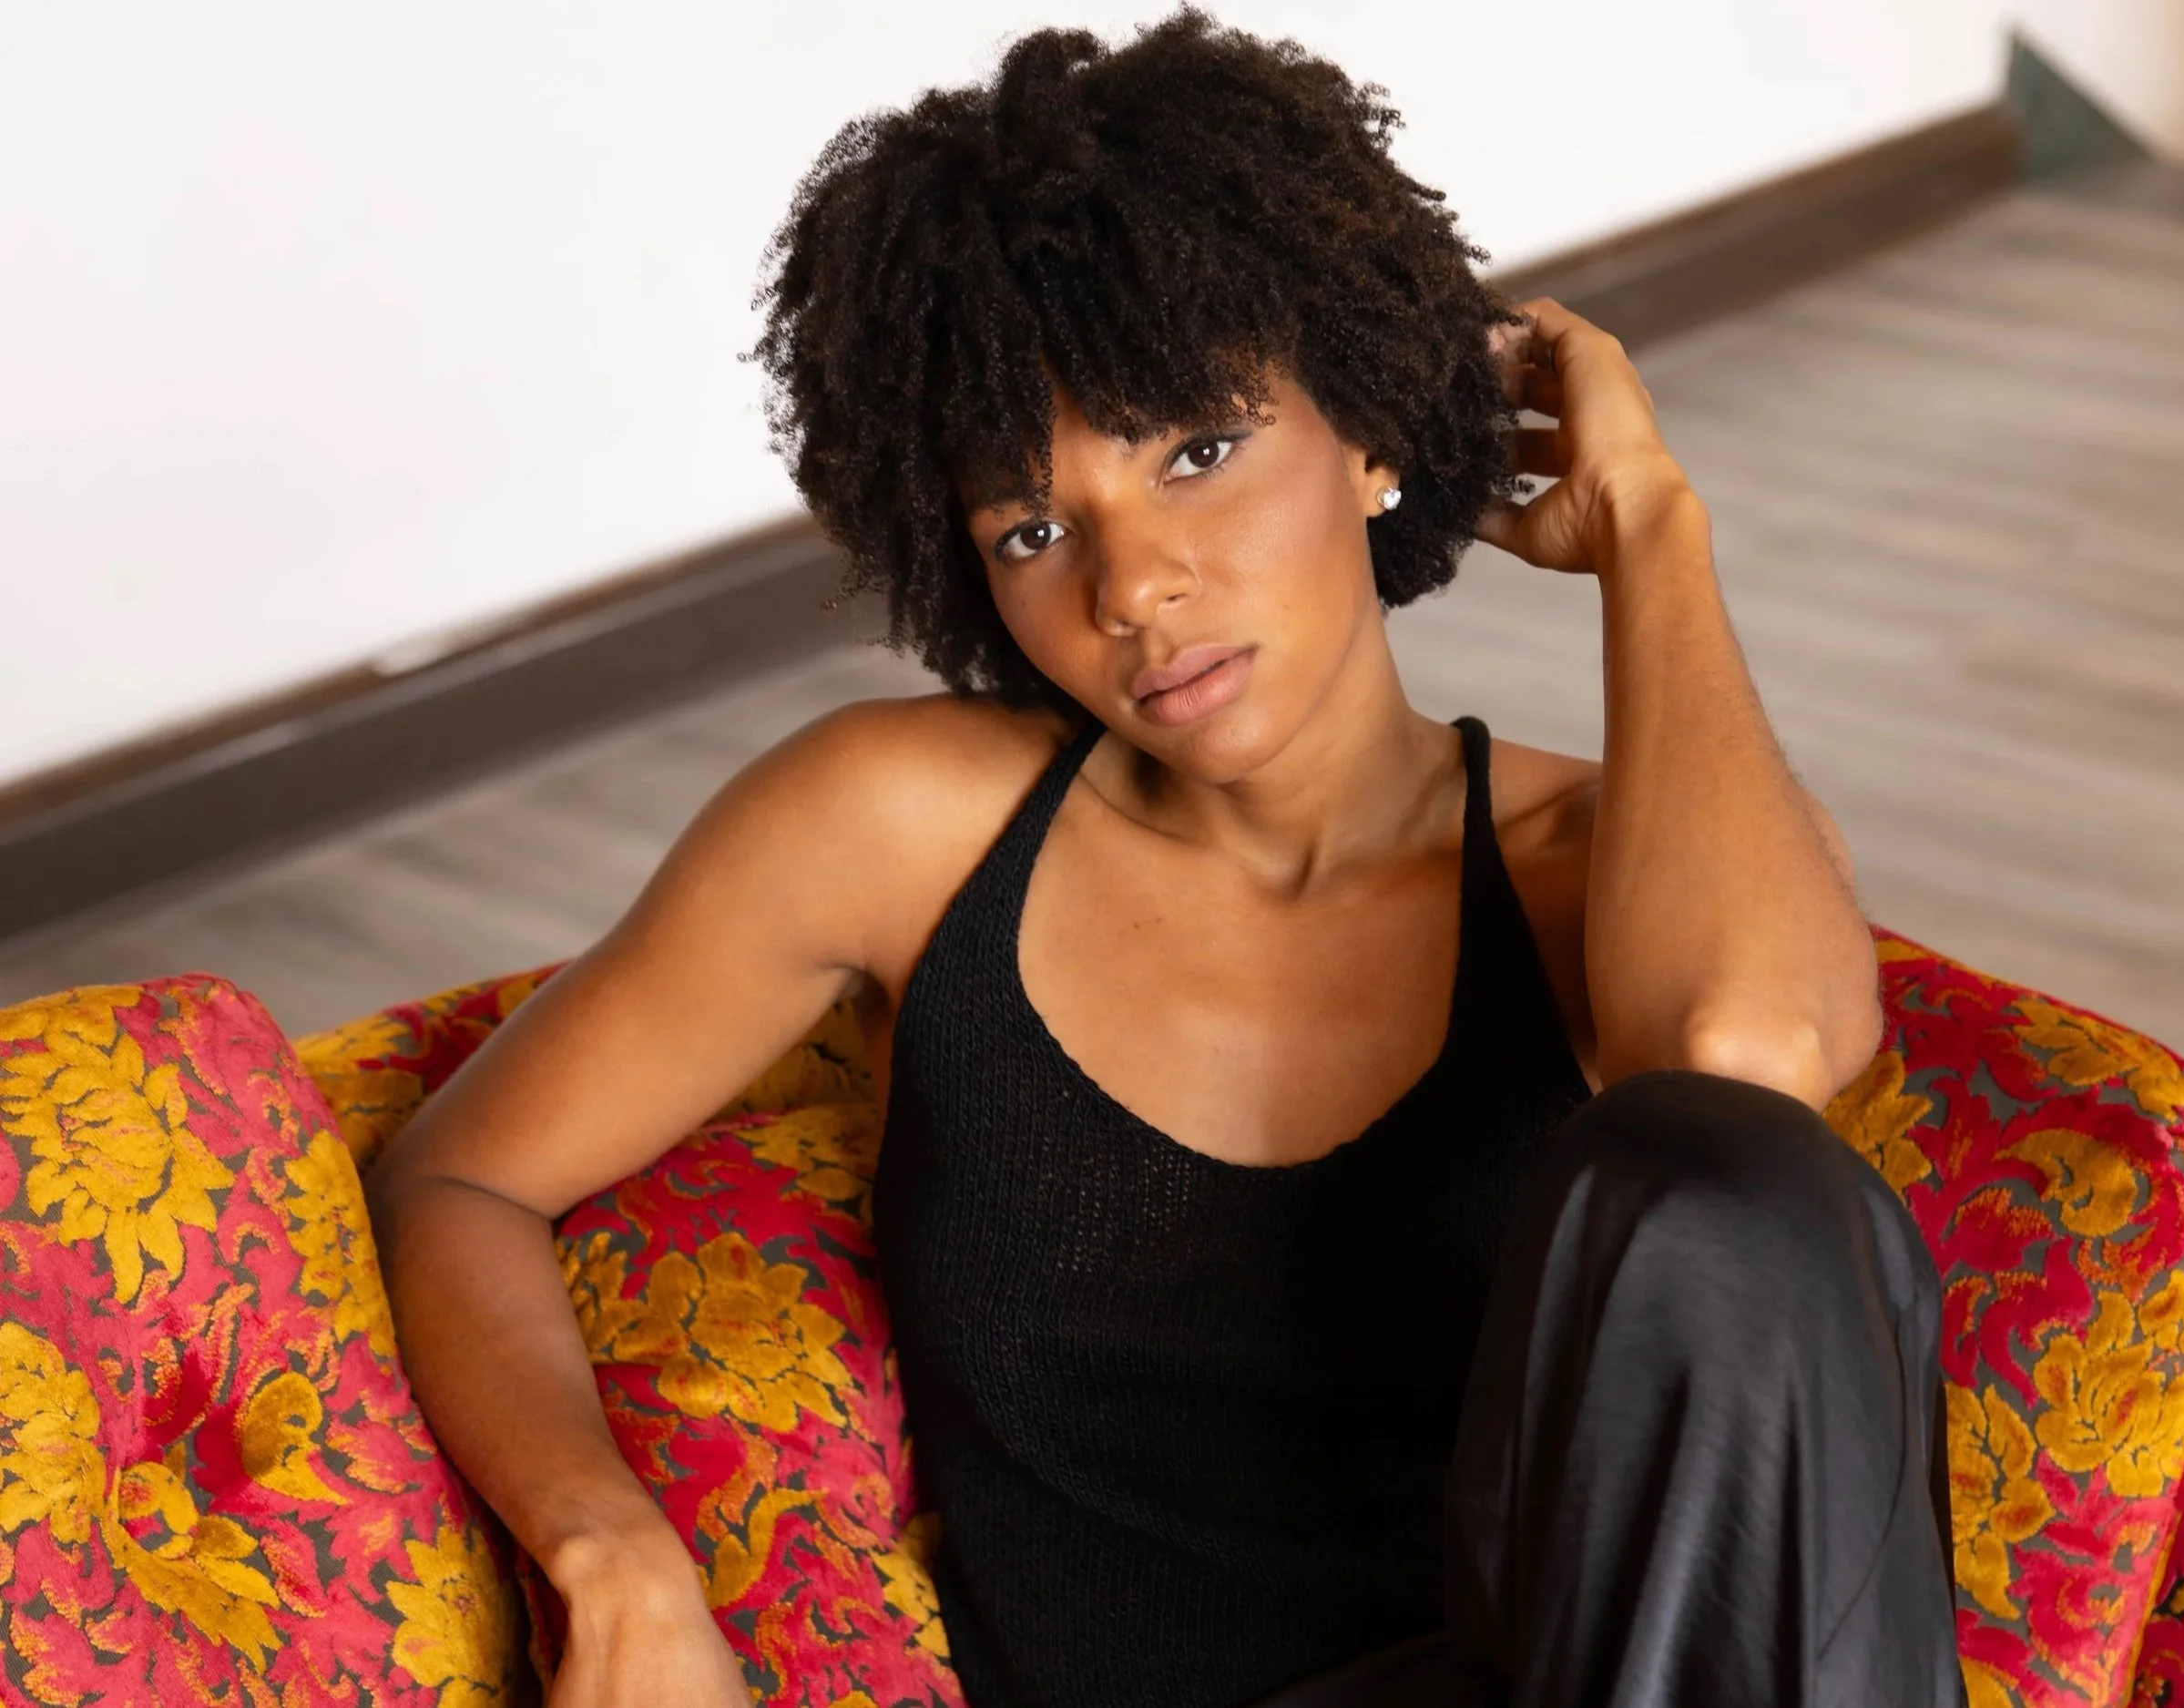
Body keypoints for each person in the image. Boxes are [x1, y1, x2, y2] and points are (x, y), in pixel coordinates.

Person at [366, 9, 1964, 1705]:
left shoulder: (1588, 862)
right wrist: (610, 1561)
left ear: (1367, 432)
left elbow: (1749, 1060)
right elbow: (456, 1177)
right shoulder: (903, 829)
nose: (1132, 587)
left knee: (1726, 1186)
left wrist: (1651, 528)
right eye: (1034, 529)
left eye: (1196, 453)